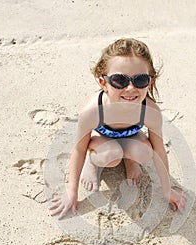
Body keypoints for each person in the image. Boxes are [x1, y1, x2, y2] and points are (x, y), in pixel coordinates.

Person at [49, 38, 186, 220]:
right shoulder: (92, 111)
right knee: (110, 156)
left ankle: (130, 161)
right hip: (101, 141)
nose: (130, 88)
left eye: (140, 80)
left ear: (150, 82)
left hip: (132, 136)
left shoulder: (150, 111)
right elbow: (79, 148)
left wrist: (168, 190)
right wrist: (71, 192)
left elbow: (158, 149)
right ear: (103, 83)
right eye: (119, 80)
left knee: (145, 152)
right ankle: (94, 163)